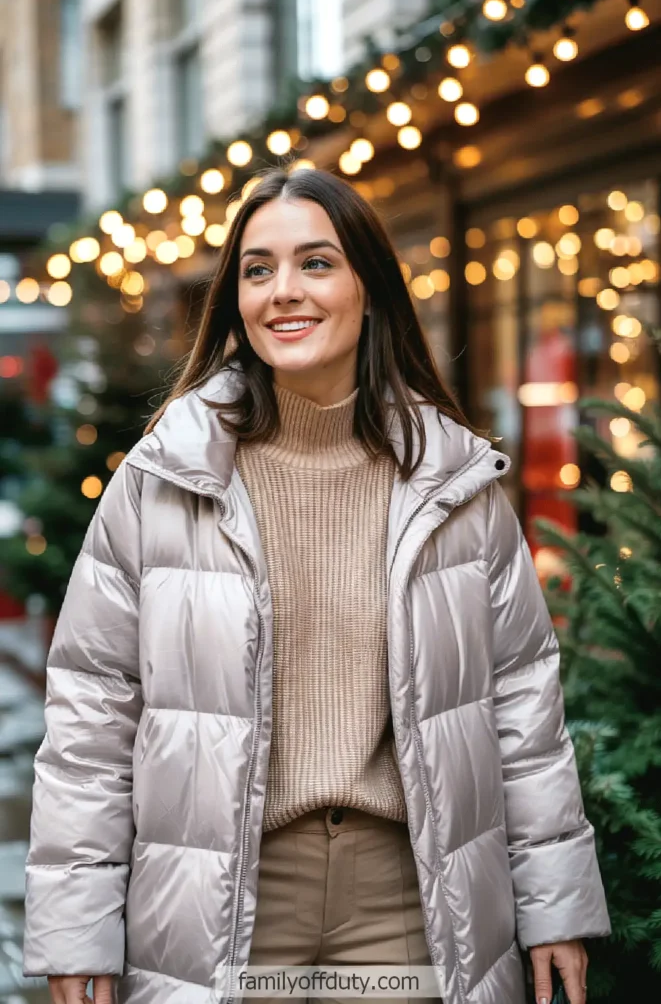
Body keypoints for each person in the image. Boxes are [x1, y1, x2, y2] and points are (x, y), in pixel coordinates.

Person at [24, 166, 610, 1004]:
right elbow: (92, 716)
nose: (282, 292)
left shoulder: (454, 484)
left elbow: (521, 703)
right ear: (235, 301)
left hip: (408, 894)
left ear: (368, 287)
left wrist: (553, 906)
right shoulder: (161, 480)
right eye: (257, 270)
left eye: (316, 263)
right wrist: (77, 926)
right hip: (219, 898)